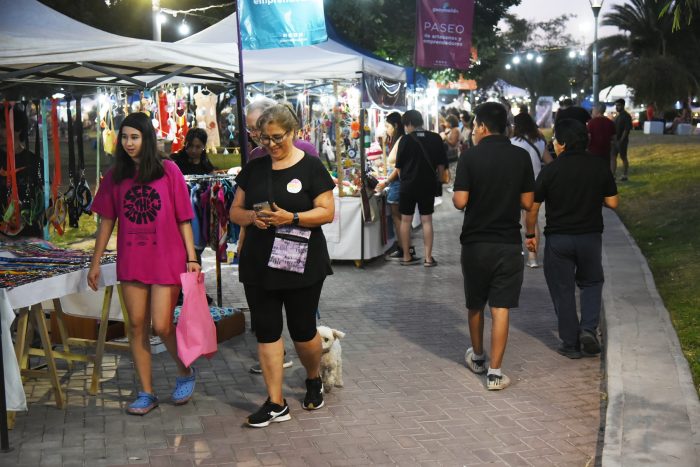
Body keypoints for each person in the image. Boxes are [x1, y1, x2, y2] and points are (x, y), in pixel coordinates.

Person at [229, 103, 335, 428]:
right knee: (267, 331)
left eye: (277, 137)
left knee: (303, 331)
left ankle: (313, 377)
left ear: (293, 132)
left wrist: (293, 218)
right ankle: (276, 402)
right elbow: (235, 211)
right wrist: (251, 217)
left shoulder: (312, 167)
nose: (271, 145)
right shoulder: (254, 168)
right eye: (263, 139)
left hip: (301, 262)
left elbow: (327, 212)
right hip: (259, 264)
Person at [87, 112, 201, 415]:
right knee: (136, 325)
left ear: (146, 138)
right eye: (123, 137)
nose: (128, 143)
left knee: (161, 325)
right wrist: (95, 262)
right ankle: (146, 392)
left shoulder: (169, 170)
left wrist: (192, 256)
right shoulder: (114, 176)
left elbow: (183, 218)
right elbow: (107, 221)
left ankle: (185, 371)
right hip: (132, 258)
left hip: (167, 257)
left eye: (134, 137)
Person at [452, 102, 535, 391]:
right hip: (508, 243)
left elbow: (460, 201)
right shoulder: (520, 156)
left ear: (483, 127)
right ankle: (496, 373)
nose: (473, 132)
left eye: (474, 126)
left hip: (476, 243)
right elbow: (527, 202)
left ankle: (477, 358)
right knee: (501, 307)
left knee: (475, 303)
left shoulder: (470, 157)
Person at [525, 118, 619, 359]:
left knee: (562, 289)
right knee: (591, 283)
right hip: (589, 237)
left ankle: (570, 343)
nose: (553, 144)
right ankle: (588, 329)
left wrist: (530, 236)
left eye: (555, 140)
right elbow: (612, 202)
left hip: (559, 239)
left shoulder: (551, 171)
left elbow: (533, 207)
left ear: (563, 143)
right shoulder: (598, 166)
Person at [395, 110, 447, 267]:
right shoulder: (435, 138)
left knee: (405, 219)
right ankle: (428, 258)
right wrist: (437, 180)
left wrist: (405, 178)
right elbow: (441, 167)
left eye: (405, 125)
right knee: (426, 220)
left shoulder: (404, 140)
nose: (405, 128)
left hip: (408, 185)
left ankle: (406, 257)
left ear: (409, 123)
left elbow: (398, 167)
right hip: (427, 185)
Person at [0, 104, 43, 237]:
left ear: (17, 129)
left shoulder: (35, 161)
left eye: (1, 126)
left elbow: (43, 199)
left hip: (29, 236)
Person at [375, 112, 413, 260]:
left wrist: (386, 182)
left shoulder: (402, 140)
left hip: (397, 184)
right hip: (397, 183)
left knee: (399, 219)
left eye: (388, 126)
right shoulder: (398, 140)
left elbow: (398, 168)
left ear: (396, 126)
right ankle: (405, 249)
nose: (386, 129)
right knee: (401, 218)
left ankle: (404, 250)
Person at [510, 112, 546, 268]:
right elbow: (549, 162)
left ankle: (518, 252)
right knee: (533, 220)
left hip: (518, 185)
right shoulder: (539, 141)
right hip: (537, 184)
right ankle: (533, 257)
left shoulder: (512, 142)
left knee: (516, 220)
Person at [246, 98, 318, 161]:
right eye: (249, 129)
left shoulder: (305, 149)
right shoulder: (255, 154)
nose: (251, 134)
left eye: (255, 128)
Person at [612, 98, 632, 181]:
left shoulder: (626, 116)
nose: (617, 107)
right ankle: (613, 175)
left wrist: (621, 140)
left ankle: (625, 175)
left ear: (623, 105)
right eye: (616, 105)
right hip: (614, 141)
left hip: (621, 141)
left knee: (623, 157)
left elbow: (626, 129)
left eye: (619, 105)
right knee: (613, 157)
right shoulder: (617, 116)